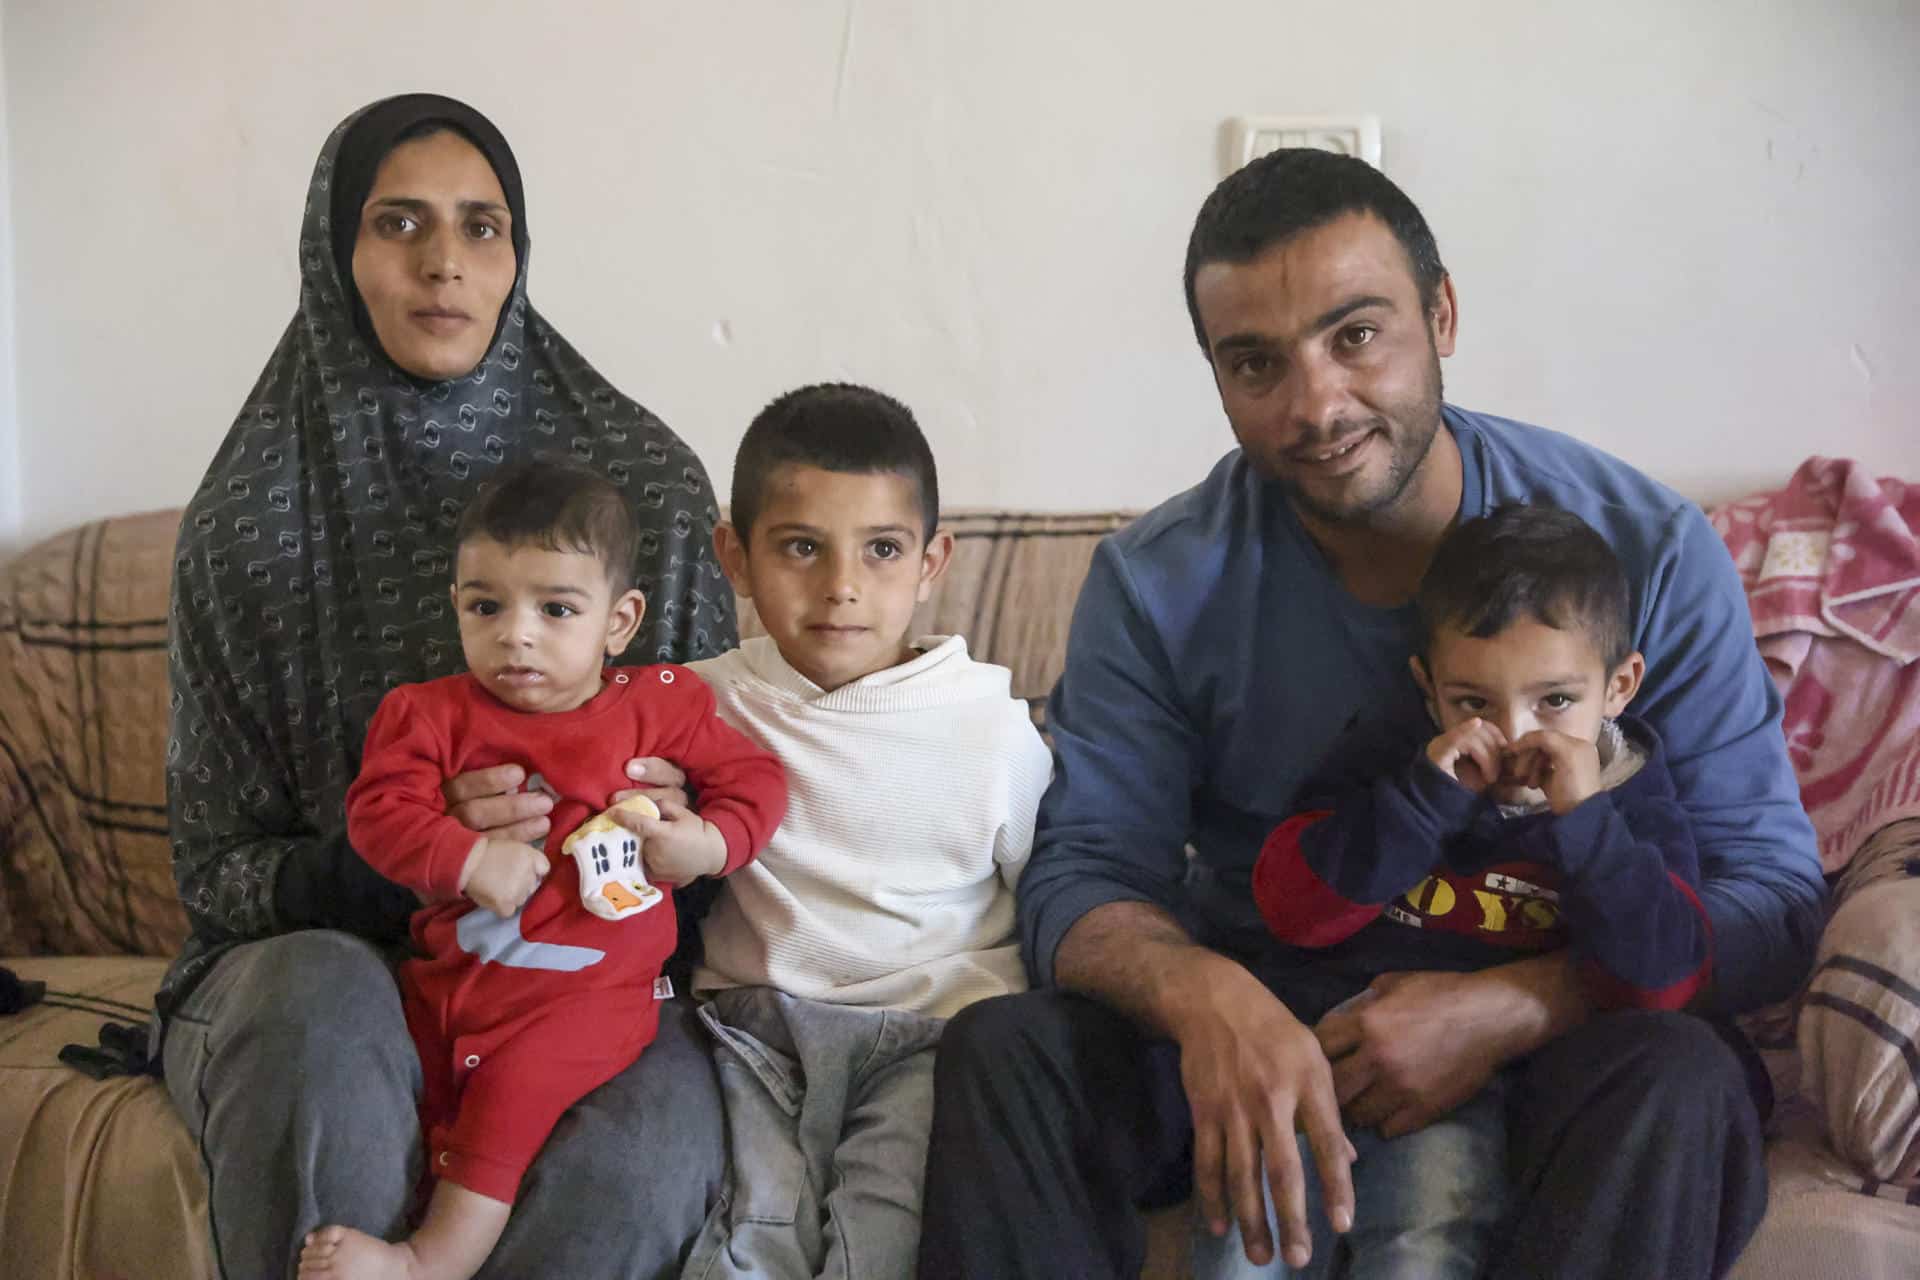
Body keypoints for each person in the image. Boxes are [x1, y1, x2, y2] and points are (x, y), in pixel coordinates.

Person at [916, 147, 1824, 1280]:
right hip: (1278, 997)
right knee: (1009, 1051)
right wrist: (1209, 1001)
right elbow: (1088, 872)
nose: (1317, 405)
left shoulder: (1642, 550)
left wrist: (1512, 1006)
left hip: (1567, 1030)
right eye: (1256, 363)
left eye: (1356, 334)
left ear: (1440, 314)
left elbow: (1774, 896)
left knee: (1682, 1077)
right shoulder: (1158, 580)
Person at [158, 94, 740, 1279]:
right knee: (322, 1003)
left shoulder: (647, 491)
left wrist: (665, 826)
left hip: (585, 965)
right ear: (338, 256)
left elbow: (726, 780)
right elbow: (216, 867)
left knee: (652, 1138)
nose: (443, 262)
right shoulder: (248, 526)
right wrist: (402, 859)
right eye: (399, 223)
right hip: (333, 960)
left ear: (520, 258)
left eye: (483, 227)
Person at [295, 461, 786, 1280]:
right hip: (449, 979)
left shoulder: (659, 706)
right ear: (456, 605)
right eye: (486, 606)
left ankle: (428, 1262)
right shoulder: (424, 714)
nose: (516, 634)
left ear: (619, 620)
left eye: (556, 609)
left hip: (590, 997)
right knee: (409, 1103)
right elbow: (377, 814)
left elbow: (758, 780)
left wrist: (707, 843)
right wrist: (463, 855)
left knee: (507, 1106)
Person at [1199, 503, 1710, 1278]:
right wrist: (1422, 800)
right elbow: (1291, 906)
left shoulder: (1632, 799)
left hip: (1465, 1093)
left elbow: (1666, 975)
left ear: (1620, 686)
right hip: (1309, 1053)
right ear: (1428, 687)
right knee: (1244, 1242)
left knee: (1423, 1239)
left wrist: (1588, 822)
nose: (1512, 735)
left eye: (1556, 701)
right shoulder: (1391, 757)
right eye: (1473, 702)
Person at [677, 384, 1053, 1279]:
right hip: (749, 1037)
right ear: (734, 555)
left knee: (877, 1243)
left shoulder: (987, 726)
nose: (842, 588)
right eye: (801, 548)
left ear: (932, 562)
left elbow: (1048, 897)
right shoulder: (698, 704)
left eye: (882, 551)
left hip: (928, 1037)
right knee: (744, 1245)